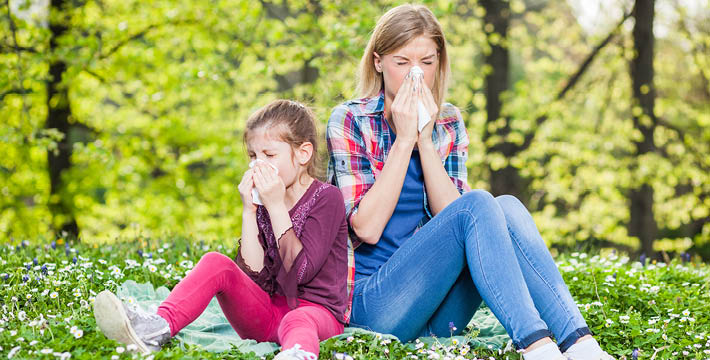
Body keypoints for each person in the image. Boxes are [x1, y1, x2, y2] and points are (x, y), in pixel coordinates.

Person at [325, 4, 614, 360]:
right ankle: (537, 346)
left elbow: (463, 220)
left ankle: (581, 343)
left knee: (504, 206)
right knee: (480, 202)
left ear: (440, 63)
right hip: (375, 308)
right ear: (378, 62)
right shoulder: (351, 119)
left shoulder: (448, 122)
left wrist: (425, 140)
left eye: (427, 63)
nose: (415, 76)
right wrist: (403, 141)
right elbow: (366, 228)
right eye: (402, 63)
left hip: (438, 309)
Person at [95, 100, 349, 360]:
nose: (258, 165)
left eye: (269, 155)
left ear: (303, 154)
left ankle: (298, 354)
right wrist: (249, 211)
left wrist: (275, 206)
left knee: (297, 319)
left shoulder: (326, 199)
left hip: (317, 316)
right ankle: (156, 329)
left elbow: (300, 273)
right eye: (253, 156)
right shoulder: (266, 201)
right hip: (268, 315)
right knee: (216, 262)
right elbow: (255, 277)